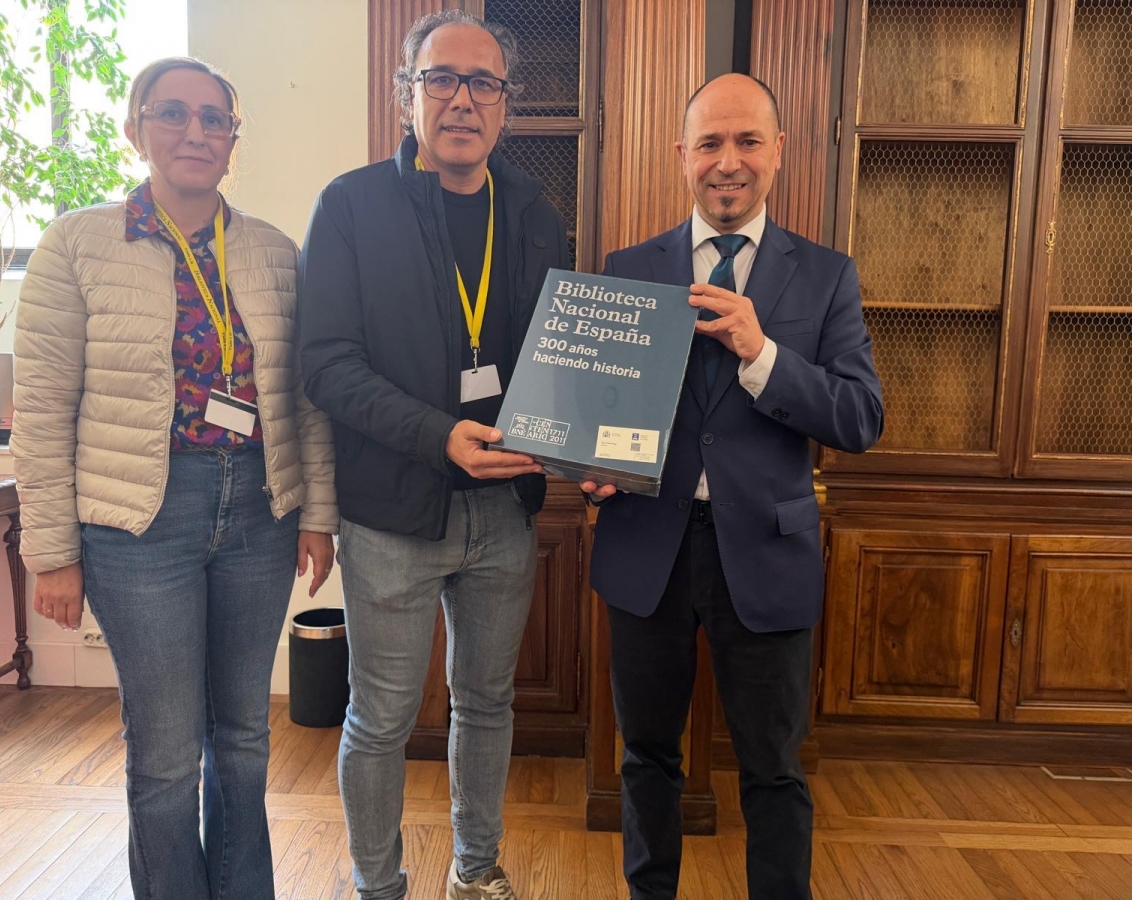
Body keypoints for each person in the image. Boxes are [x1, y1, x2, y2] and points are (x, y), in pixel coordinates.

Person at [10, 57, 338, 900]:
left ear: (234, 140)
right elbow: (42, 406)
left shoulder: (270, 251)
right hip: (137, 525)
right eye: (173, 113)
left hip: (259, 511)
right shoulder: (76, 244)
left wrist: (316, 514)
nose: (196, 132)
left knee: (243, 739)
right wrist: (51, 550)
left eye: (215, 119)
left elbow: (305, 398)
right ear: (136, 128)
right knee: (163, 753)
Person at [583, 74, 884, 900]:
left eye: (747, 141)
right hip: (648, 549)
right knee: (646, 757)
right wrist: (590, 466)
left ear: (778, 152)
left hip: (767, 554)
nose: (728, 162)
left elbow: (860, 416)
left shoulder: (825, 278)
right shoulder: (627, 269)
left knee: (774, 771)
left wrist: (764, 357)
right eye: (710, 143)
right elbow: (595, 413)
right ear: (681, 156)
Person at [298, 10, 569, 900]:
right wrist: (434, 434)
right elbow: (327, 364)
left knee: (487, 706)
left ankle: (476, 873)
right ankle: (378, 885)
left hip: (503, 511)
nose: (462, 99)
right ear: (405, 94)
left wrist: (587, 435)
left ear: (505, 105)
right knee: (379, 718)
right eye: (440, 80)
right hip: (392, 512)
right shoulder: (350, 205)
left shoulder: (531, 212)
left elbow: (555, 358)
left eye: (482, 83)